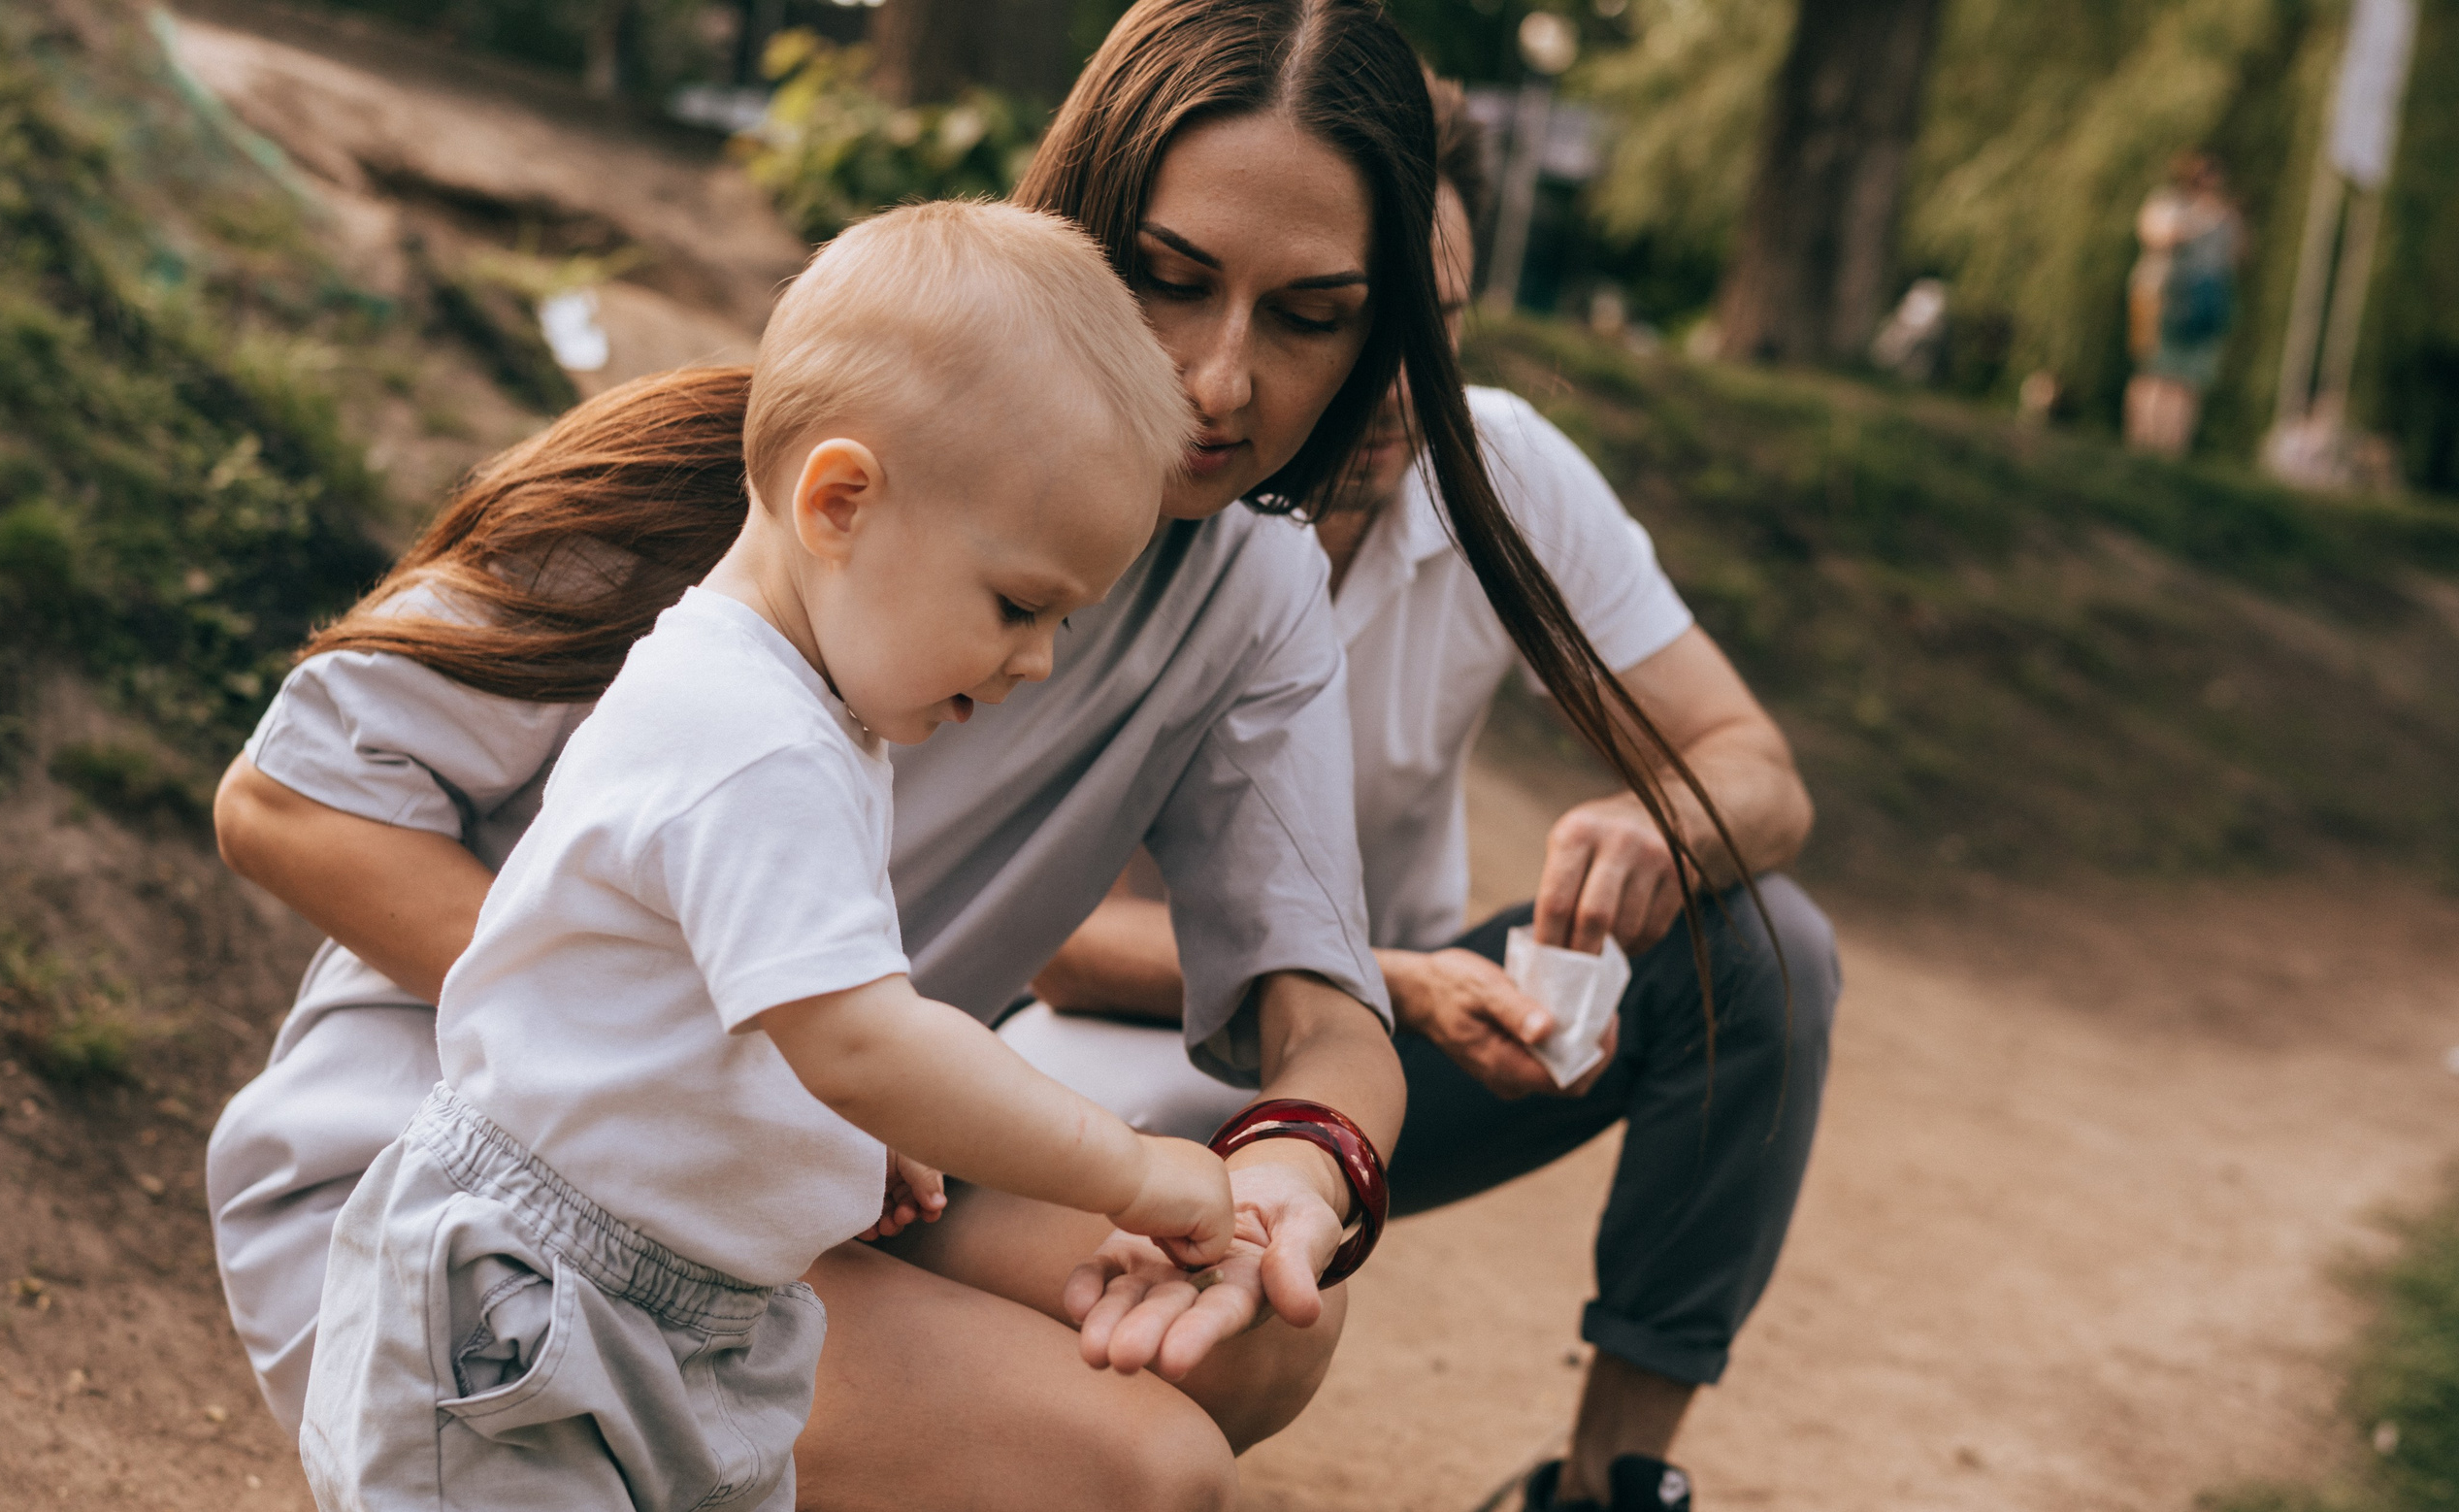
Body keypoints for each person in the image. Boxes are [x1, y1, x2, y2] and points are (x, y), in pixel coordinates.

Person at [205, 3, 1752, 1505]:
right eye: (1169, 277)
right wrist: (775, 1066)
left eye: (1310, 315)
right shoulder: (804, 471)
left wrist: (1299, 1178)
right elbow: (285, 801)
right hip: (488, 1171)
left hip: (839, 1151)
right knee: (1139, 1471)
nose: (1221, 381)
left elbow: (1324, 1010)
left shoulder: (1253, 591)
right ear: (1077, 227)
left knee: (1261, 1323)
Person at [293, 201, 1239, 1512]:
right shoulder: (752, 736)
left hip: (694, 1306)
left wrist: (830, 1133)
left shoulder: (807, 713)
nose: (1038, 660)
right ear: (840, 501)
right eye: (1021, 604)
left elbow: (749, 1012)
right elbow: (859, 1036)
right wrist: (1129, 1166)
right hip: (539, 1296)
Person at [1006, 77, 1842, 1512]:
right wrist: (1389, 977)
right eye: (1352, 323)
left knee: (1765, 949)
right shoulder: (1104, 484)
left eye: (1432, 333)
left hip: (1360, 1051)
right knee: (1162, 1369)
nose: (1399, 380)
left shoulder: (1502, 466)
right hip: (1078, 1059)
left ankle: (1603, 1482)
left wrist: (1666, 821)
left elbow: (1757, 767)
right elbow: (1043, 941)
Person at [2125, 152, 2243, 458]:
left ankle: (2173, 448)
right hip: (2159, 293)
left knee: (2189, 378)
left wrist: (2228, 222)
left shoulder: (2224, 215)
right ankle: (2142, 442)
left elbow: (2238, 256)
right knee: (2153, 369)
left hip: (2203, 303)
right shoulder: (2166, 203)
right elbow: (2156, 237)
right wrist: (2197, 224)